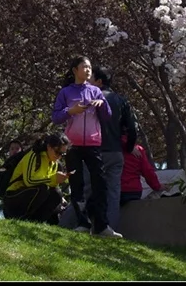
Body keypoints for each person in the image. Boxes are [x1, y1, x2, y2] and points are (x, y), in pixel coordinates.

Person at [51, 56, 121, 238]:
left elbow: (107, 116)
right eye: (84, 67)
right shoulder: (65, 92)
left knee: (100, 184)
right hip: (72, 145)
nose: (88, 70)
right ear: (75, 70)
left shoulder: (96, 91)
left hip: (93, 144)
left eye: (90, 67)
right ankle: (82, 224)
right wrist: (71, 111)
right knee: (77, 185)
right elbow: (56, 117)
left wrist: (102, 104)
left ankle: (102, 226)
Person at [88, 65, 139, 230]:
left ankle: (70, 224)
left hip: (94, 151)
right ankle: (110, 228)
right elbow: (132, 129)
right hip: (115, 153)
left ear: (99, 81)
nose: (88, 80)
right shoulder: (121, 101)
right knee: (113, 194)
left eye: (91, 78)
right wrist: (128, 147)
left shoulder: (90, 99)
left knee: (85, 190)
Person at [4, 133, 71, 223]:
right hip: (13, 198)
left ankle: (36, 221)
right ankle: (23, 217)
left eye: (62, 154)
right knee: (42, 188)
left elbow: (52, 185)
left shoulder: (54, 163)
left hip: (31, 196)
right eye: (57, 152)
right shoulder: (34, 155)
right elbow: (29, 181)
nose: (59, 156)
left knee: (56, 194)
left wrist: (59, 186)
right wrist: (53, 179)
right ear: (49, 147)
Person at [120, 138, 163, 206]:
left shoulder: (110, 149)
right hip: (133, 190)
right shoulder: (138, 150)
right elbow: (147, 171)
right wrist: (157, 186)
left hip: (114, 190)